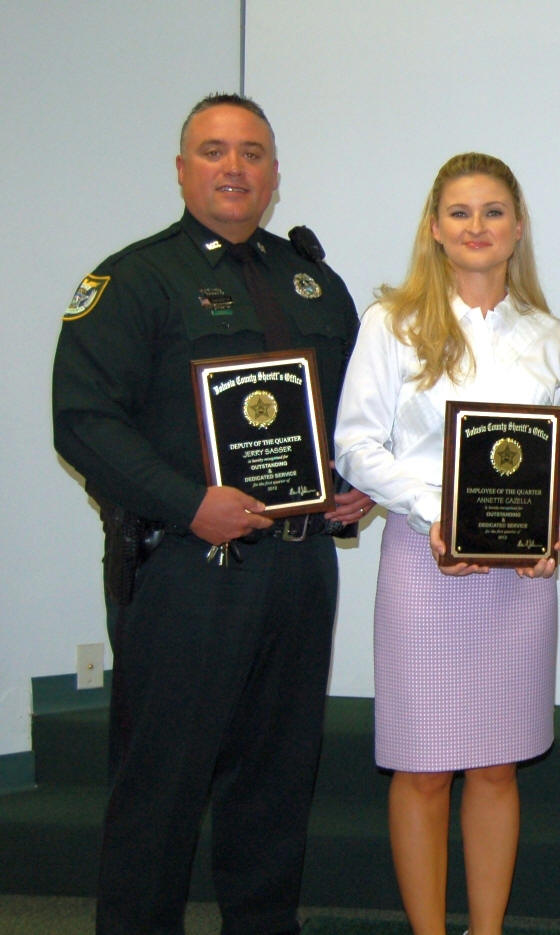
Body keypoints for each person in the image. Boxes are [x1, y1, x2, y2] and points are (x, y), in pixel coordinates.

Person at [51, 93, 371, 935]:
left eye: (253, 153)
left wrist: (355, 485)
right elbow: (84, 421)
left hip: (300, 568)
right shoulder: (132, 280)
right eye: (215, 151)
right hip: (189, 575)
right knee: (160, 787)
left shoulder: (315, 281)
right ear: (183, 167)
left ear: (274, 173)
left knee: (274, 785)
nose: (235, 168)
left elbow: (347, 419)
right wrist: (189, 502)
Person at [333, 152, 560, 935]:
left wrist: (545, 519)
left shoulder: (551, 336)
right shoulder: (392, 323)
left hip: (516, 579)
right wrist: (440, 510)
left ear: (517, 227)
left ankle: (487, 929)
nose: (477, 227)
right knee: (423, 768)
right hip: (422, 562)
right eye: (461, 212)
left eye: (494, 211)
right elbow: (355, 447)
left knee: (498, 764)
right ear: (435, 228)